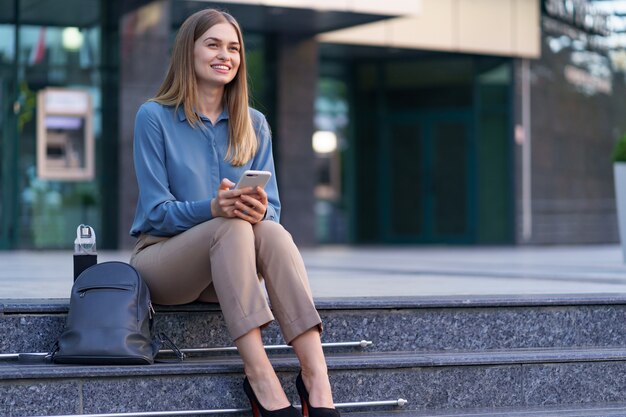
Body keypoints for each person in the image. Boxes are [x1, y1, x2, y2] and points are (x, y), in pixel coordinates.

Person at [128, 8, 340, 417]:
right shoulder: (153, 117)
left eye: (234, 47)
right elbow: (154, 213)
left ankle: (316, 377)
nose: (225, 55)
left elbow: (272, 212)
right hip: (164, 262)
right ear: (188, 51)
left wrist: (257, 210)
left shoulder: (254, 124)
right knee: (229, 226)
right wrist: (214, 208)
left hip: (230, 269)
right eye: (213, 44)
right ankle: (259, 374)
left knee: (270, 233)